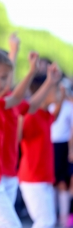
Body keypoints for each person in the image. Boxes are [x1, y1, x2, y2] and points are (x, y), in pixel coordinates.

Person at [0, 20, 44, 228]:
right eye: (2, 78)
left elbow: (23, 98)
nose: (7, 82)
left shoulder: (2, 103)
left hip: (4, 175)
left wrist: (30, 71)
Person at [18, 64, 63, 228]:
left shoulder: (44, 114)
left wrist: (61, 100)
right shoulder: (31, 116)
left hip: (43, 177)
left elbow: (54, 118)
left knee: (48, 221)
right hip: (33, 177)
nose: (58, 91)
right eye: (55, 88)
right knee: (44, 222)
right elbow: (18, 137)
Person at [49, 78, 73, 227]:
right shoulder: (51, 105)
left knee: (63, 182)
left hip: (63, 146)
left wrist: (71, 149)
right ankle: (53, 213)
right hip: (50, 145)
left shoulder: (69, 107)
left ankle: (64, 217)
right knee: (51, 181)